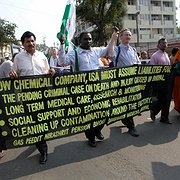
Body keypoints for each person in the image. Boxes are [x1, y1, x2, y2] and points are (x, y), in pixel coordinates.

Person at [9, 31, 55, 164]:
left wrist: (51, 72)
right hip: (28, 95)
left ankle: (40, 138)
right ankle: (43, 149)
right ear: (23, 44)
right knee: (35, 122)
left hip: (44, 94)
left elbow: (48, 72)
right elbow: (14, 74)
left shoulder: (42, 56)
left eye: (33, 41)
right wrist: (12, 75)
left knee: (45, 119)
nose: (31, 43)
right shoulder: (18, 58)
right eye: (28, 41)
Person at [59, 32, 108, 147]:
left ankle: (97, 130)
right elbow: (62, 62)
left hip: (97, 86)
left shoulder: (96, 51)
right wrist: (62, 44)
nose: (88, 41)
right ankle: (91, 136)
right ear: (80, 40)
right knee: (88, 114)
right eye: (86, 39)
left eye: (90, 39)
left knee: (104, 110)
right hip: (83, 88)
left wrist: (114, 36)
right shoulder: (74, 53)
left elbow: (108, 50)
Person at [108, 28, 141, 137]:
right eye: (126, 35)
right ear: (121, 37)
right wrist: (113, 38)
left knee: (129, 103)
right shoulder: (117, 49)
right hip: (121, 82)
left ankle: (124, 118)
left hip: (132, 81)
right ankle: (131, 127)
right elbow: (111, 54)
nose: (128, 37)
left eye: (129, 35)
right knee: (126, 103)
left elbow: (138, 63)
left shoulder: (133, 50)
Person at [149, 38, 172, 124]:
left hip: (167, 81)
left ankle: (164, 118)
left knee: (167, 100)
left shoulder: (166, 55)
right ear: (158, 45)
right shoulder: (155, 55)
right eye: (162, 43)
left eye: (166, 43)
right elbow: (152, 69)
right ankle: (154, 111)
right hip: (159, 81)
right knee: (161, 99)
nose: (165, 45)